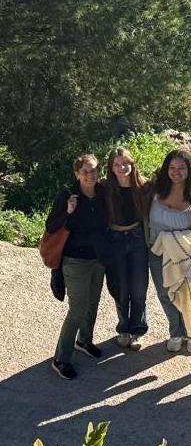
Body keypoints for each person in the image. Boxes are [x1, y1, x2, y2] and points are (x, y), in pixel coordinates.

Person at [46, 154, 108, 379]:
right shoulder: (67, 195)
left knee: (93, 303)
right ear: (77, 174)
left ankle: (85, 340)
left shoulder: (102, 192)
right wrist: (68, 212)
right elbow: (51, 225)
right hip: (74, 260)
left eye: (93, 170)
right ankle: (61, 359)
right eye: (85, 171)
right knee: (78, 309)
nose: (90, 175)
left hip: (97, 258)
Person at [146, 149, 191, 353]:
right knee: (165, 292)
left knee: (189, 293)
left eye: (181, 168)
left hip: (186, 250)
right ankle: (176, 332)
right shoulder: (154, 190)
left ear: (189, 169)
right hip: (157, 251)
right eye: (172, 167)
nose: (176, 172)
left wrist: (176, 239)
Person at [104, 148, 149, 351]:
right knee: (119, 287)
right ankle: (123, 328)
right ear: (111, 167)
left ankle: (137, 330)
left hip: (137, 237)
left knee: (139, 288)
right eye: (116, 164)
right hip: (114, 239)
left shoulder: (143, 187)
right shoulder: (104, 188)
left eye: (125, 164)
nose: (121, 168)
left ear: (132, 164)